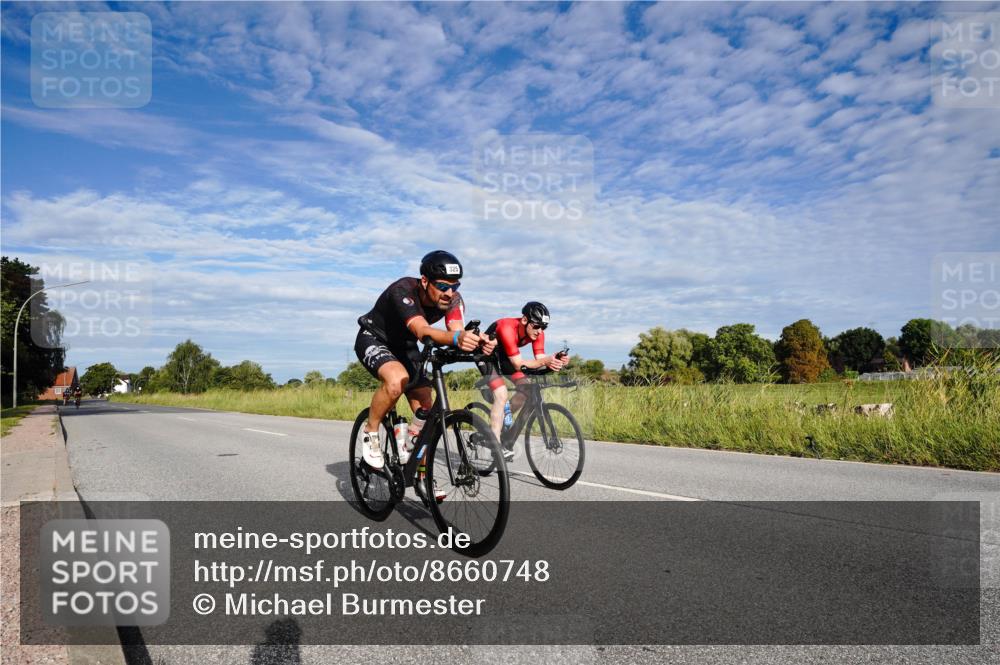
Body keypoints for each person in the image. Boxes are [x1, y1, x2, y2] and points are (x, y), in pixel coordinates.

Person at [354, 250, 496, 500]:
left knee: (427, 409)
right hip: (374, 338)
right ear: (424, 281)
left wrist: (476, 341)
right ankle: (371, 432)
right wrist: (456, 338)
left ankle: (420, 473)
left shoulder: (453, 300)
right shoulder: (403, 291)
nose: (449, 293)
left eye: (455, 286)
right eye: (442, 286)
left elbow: (456, 331)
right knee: (396, 381)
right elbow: (422, 331)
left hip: (406, 348)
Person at [480, 302, 568, 460]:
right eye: (536, 326)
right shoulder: (507, 327)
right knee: (501, 394)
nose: (539, 331)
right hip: (486, 355)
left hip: (505, 355)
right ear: (524, 320)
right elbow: (517, 364)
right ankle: (496, 444)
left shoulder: (538, 333)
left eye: (543, 327)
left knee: (526, 389)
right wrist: (546, 361)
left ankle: (503, 417)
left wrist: (555, 361)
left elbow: (540, 358)